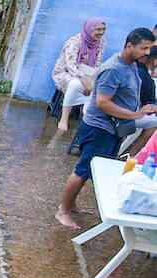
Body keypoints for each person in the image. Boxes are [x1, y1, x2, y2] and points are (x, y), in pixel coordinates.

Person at [56, 27, 157, 229]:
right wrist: (136, 115)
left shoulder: (131, 65)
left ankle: (72, 204)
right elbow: (102, 103)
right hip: (99, 128)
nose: (148, 53)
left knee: (92, 169)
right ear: (129, 46)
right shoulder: (114, 69)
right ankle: (63, 211)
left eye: (150, 48)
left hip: (113, 128)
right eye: (144, 48)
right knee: (82, 170)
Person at [52, 18, 106, 139]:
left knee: (98, 88)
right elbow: (71, 65)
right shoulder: (75, 41)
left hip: (88, 73)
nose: (101, 32)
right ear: (90, 28)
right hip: (66, 72)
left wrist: (91, 81)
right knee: (75, 84)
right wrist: (85, 81)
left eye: (103, 29)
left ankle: (86, 121)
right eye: (98, 29)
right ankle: (64, 119)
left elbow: (97, 64)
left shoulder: (101, 43)